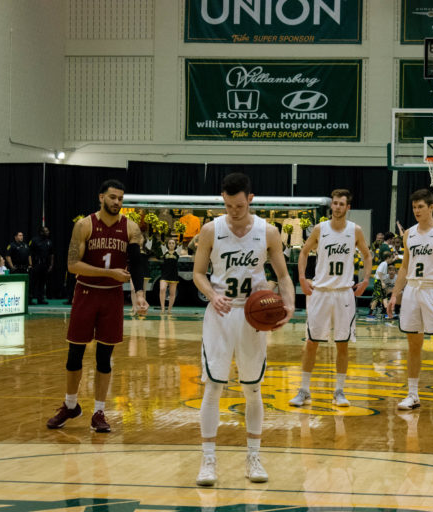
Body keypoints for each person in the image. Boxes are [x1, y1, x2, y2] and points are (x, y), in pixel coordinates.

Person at [192, 173, 294, 486]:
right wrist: (212, 294)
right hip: (221, 314)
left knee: (252, 388)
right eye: (227, 205)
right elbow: (198, 273)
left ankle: (254, 458)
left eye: (238, 205)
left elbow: (284, 276)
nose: (233, 210)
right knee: (213, 387)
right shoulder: (211, 230)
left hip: (253, 317)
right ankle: (208, 461)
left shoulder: (269, 231)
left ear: (250, 198)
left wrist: (289, 306)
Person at [46, 179, 149, 433]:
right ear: (101, 197)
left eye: (121, 199)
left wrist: (139, 295)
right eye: (113, 197)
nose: (117, 202)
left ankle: (99, 412)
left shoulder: (131, 228)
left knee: (105, 358)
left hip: (112, 297)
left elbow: (136, 264)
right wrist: (110, 272)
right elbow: (72, 265)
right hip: (86, 293)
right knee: (75, 355)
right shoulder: (84, 225)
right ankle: (70, 405)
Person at [289, 189, 372, 408]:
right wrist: (302, 278)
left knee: (342, 344)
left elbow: (366, 254)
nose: (336, 207)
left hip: (344, 293)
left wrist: (365, 280)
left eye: (341, 204)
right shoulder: (320, 229)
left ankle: (339, 391)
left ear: (348, 207)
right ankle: (304, 390)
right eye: (334, 203)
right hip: (321, 292)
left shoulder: (355, 230)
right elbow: (305, 252)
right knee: (311, 342)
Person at [387, 188, 433, 414]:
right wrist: (394, 294)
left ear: (431, 207)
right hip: (412, 291)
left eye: (421, 207)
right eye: (414, 207)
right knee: (413, 345)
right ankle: (412, 395)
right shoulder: (408, 233)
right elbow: (403, 267)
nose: (417, 211)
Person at [29, 226, 55, 304]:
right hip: (36, 264)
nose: (48, 232)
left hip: (45, 265)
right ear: (41, 232)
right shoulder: (34, 240)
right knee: (33, 282)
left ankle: (40, 299)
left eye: (48, 231)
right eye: (46, 231)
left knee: (42, 282)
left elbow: (52, 254)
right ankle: (29, 299)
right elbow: (29, 253)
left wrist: (51, 265)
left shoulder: (49, 242)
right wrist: (30, 264)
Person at [159, 238, 179, 315]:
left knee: (172, 293)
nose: (171, 244)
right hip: (164, 274)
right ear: (167, 245)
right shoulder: (164, 251)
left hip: (173, 275)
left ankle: (169, 309)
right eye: (170, 243)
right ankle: (163, 308)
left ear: (175, 245)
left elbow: (180, 239)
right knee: (162, 289)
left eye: (173, 243)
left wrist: (180, 230)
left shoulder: (178, 252)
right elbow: (162, 239)